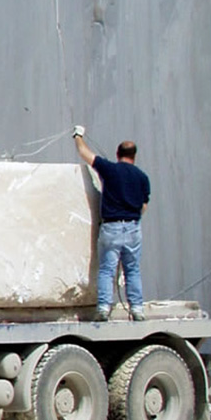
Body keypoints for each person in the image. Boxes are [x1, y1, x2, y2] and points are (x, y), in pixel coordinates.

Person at [73, 126, 151, 321]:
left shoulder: (110, 169)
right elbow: (144, 206)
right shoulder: (142, 178)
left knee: (107, 270)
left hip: (112, 227)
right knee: (132, 269)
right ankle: (137, 310)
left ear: (118, 154)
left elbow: (84, 153)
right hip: (133, 227)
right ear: (134, 156)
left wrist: (78, 136)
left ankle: (104, 309)